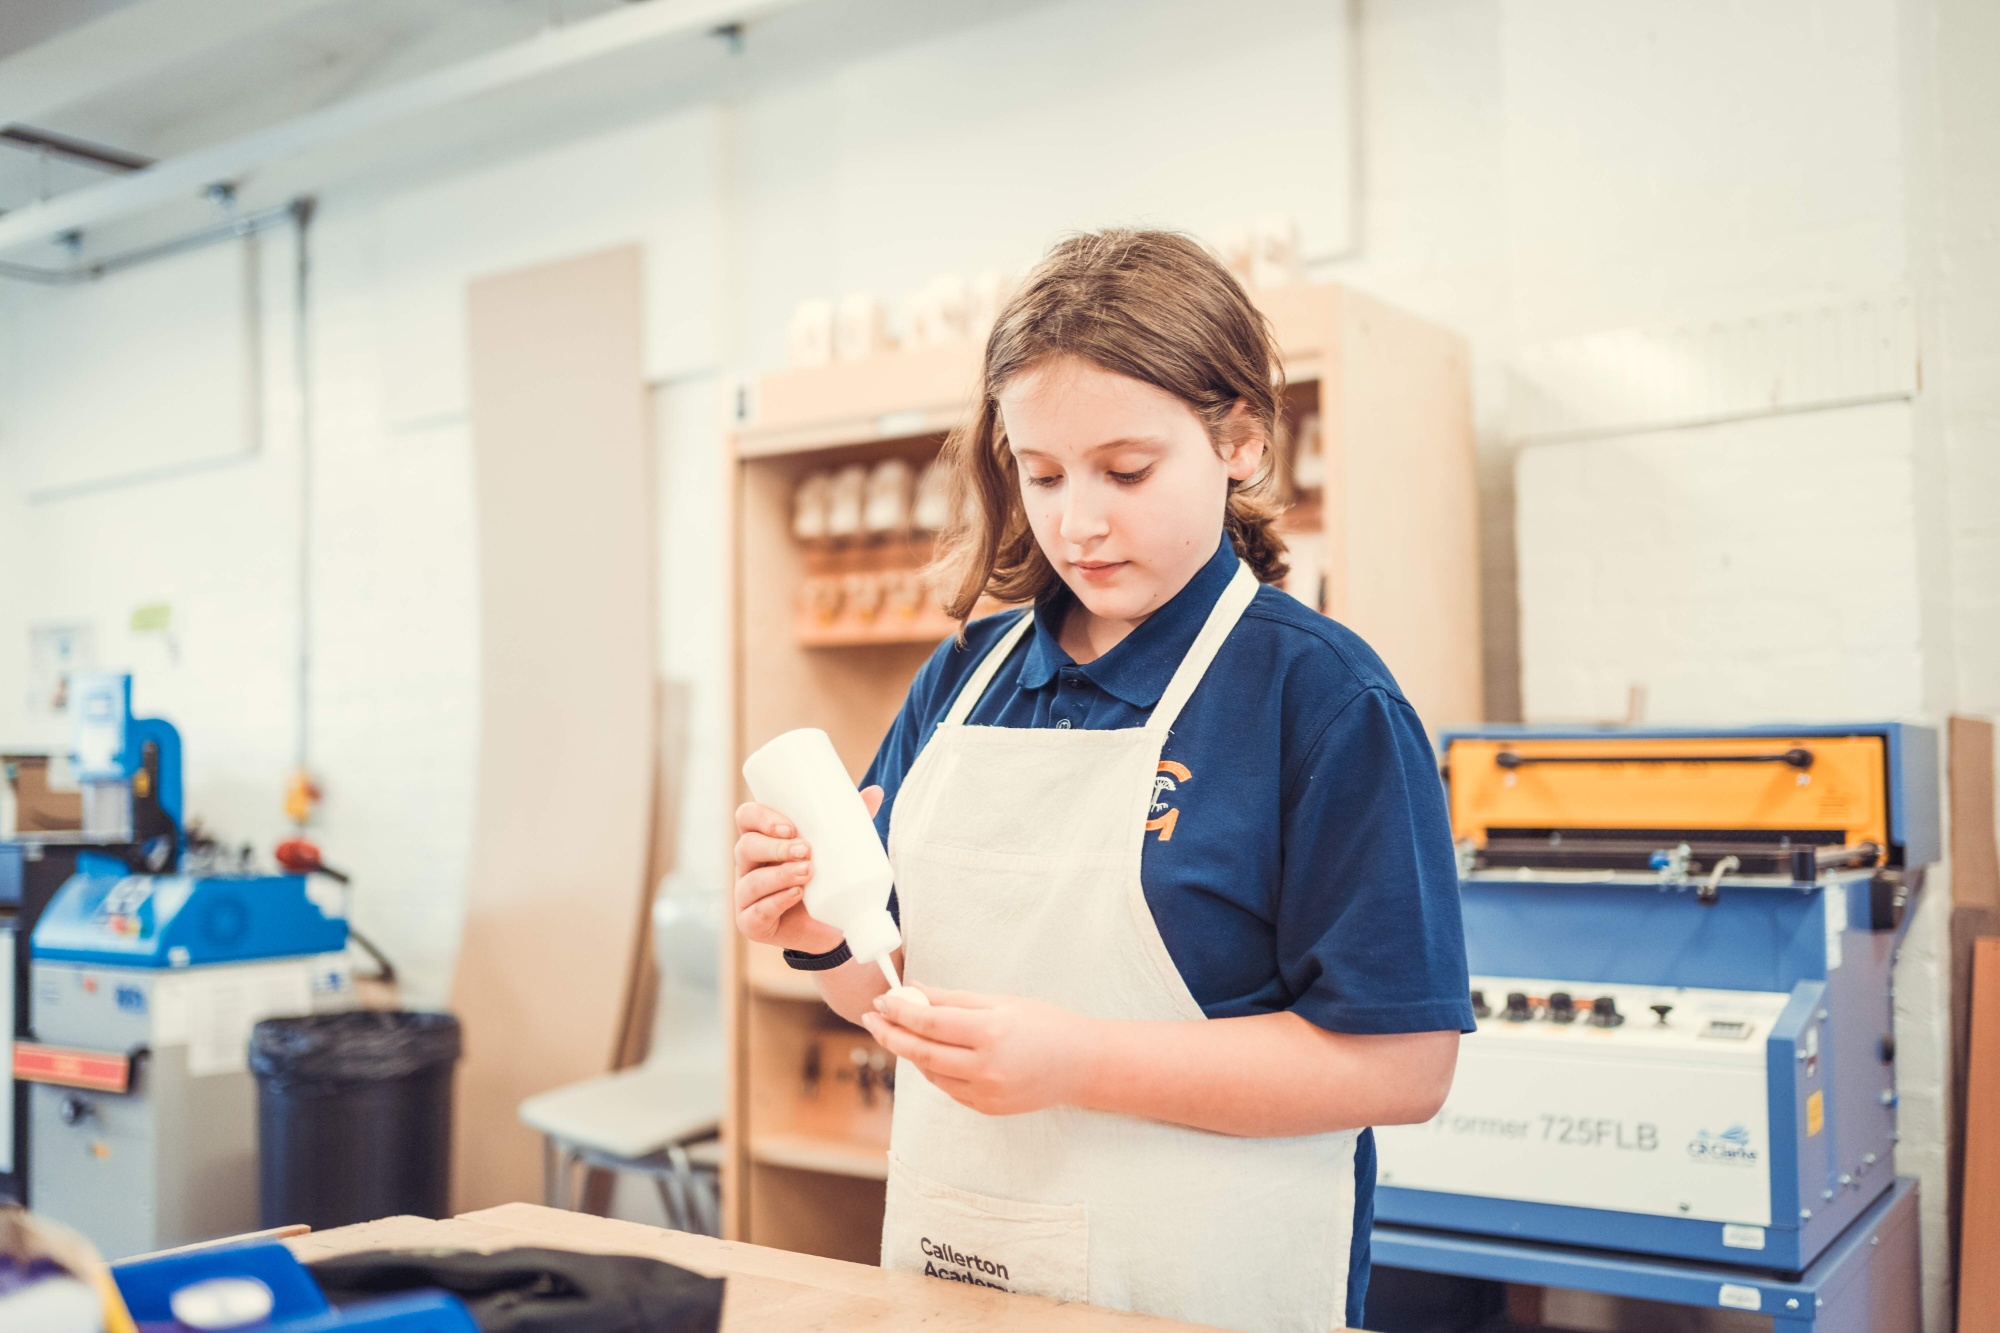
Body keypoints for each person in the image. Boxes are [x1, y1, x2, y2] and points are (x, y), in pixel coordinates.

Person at [734, 229, 1473, 1333]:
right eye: (1039, 474)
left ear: (1240, 440)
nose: (1077, 520)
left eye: (1125, 471)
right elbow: (882, 995)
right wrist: (817, 931)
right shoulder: (965, 680)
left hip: (1205, 1290)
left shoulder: (1319, 700)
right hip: (962, 1271)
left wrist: (1076, 1059)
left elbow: (1402, 1067)